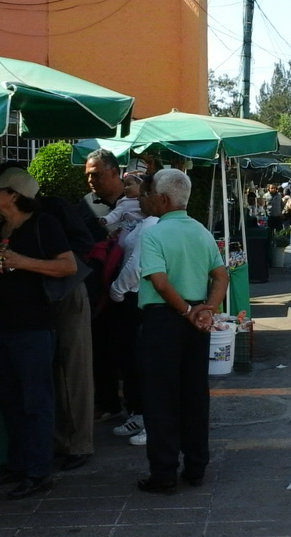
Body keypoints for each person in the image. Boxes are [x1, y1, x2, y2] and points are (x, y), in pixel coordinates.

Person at [0, 167, 79, 499]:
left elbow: (68, 265)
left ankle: (38, 472)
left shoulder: (43, 225)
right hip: (0, 326)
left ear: (13, 195)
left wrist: (23, 262)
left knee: (35, 400)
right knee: (8, 399)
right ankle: (18, 463)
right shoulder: (0, 227)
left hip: (33, 326)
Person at [134, 169, 228, 494]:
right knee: (193, 395)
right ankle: (196, 466)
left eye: (149, 195)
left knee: (161, 398)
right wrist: (207, 310)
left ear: (162, 198)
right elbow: (221, 275)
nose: (146, 199)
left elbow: (159, 282)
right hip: (196, 322)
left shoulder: (154, 234)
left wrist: (187, 312)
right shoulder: (201, 231)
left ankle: (164, 472)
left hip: (165, 320)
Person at [109, 173, 161, 447]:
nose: (137, 199)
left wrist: (116, 291)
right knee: (132, 361)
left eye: (142, 195)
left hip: (135, 298)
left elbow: (136, 267)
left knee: (140, 362)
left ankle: (147, 418)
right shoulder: (142, 224)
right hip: (132, 298)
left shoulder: (152, 226)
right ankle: (139, 413)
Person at [79, 148, 127, 422]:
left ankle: (135, 407)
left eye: (95, 174)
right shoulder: (86, 204)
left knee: (129, 351)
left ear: (113, 171)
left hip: (129, 292)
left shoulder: (136, 200)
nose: (90, 180)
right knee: (100, 349)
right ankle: (107, 402)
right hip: (96, 293)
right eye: (87, 175)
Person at [100, 171, 146, 244]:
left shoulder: (148, 200)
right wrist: (106, 219)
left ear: (141, 186)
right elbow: (115, 214)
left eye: (129, 184)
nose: (126, 188)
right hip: (127, 229)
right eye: (125, 185)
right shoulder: (125, 202)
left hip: (143, 227)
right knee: (121, 243)